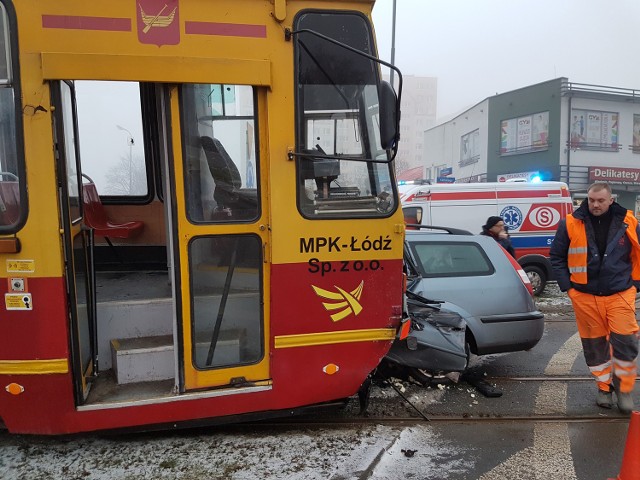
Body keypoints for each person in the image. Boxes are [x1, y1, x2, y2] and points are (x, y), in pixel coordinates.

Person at [549, 182, 640, 414]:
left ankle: (624, 388)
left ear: (611, 200)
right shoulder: (570, 223)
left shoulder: (629, 221)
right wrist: (568, 288)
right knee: (594, 347)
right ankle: (603, 387)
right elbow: (557, 257)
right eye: (591, 200)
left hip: (619, 293)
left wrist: (636, 284)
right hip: (585, 296)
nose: (595, 204)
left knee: (626, 344)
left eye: (600, 200)